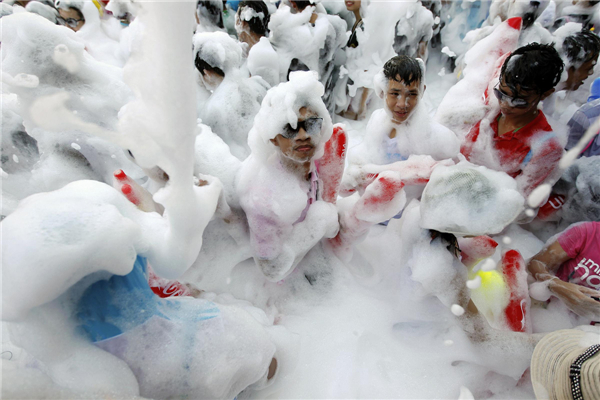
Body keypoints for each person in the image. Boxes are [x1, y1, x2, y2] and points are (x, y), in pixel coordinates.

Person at [236, 71, 341, 282]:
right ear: (273, 139)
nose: (303, 135)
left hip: (311, 258)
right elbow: (271, 269)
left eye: (311, 124)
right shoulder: (265, 199)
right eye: (290, 128)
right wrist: (317, 224)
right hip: (284, 285)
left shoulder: (312, 159)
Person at [460, 43, 565, 197]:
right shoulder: (490, 108)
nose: (505, 105)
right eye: (501, 93)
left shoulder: (545, 148)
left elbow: (521, 204)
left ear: (545, 94)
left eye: (519, 101)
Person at [343, 55, 459, 187]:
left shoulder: (436, 138)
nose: (402, 103)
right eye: (394, 93)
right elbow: (365, 160)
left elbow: (454, 176)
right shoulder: (377, 121)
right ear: (382, 92)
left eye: (412, 94)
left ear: (422, 91)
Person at [527, 221, 600, 321]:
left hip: (586, 330)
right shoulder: (588, 233)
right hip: (543, 309)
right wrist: (556, 285)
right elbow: (536, 263)